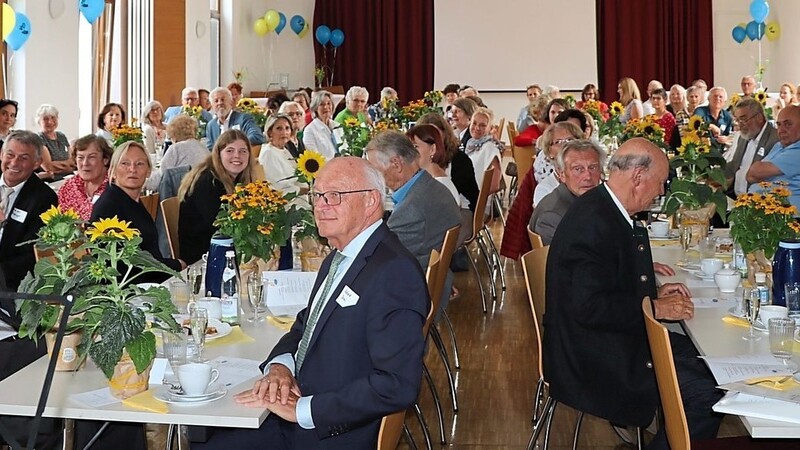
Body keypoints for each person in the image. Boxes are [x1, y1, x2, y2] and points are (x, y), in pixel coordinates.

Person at [195, 157, 428, 449]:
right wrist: (280, 367)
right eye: (318, 196)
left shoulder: (393, 272)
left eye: (335, 196)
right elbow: (308, 323)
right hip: (306, 403)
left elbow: (398, 384)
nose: (320, 205)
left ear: (371, 201)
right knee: (207, 426)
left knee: (206, 437)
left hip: (330, 432)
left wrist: (304, 411)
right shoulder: (341, 255)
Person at [543, 137, 723, 449]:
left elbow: (605, 282)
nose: (663, 191)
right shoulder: (594, 221)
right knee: (708, 391)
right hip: (590, 356)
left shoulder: (603, 208)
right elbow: (590, 307)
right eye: (662, 182)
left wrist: (651, 291)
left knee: (711, 360)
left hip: (602, 338)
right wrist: (656, 307)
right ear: (638, 177)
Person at [365, 130, 461, 270]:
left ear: (396, 164)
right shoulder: (433, 187)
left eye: (374, 171)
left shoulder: (411, 210)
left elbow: (377, 256)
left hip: (411, 284)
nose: (372, 179)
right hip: (427, 274)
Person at [91, 141, 185, 275]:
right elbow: (122, 268)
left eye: (140, 164)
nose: (132, 169)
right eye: (125, 163)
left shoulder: (131, 201)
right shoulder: (108, 207)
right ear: (112, 170)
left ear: (148, 171)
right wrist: (176, 265)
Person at [178, 129, 261, 265]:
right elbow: (221, 228)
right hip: (203, 258)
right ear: (218, 154)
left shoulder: (240, 180)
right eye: (230, 150)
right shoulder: (206, 182)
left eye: (243, 151)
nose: (237, 156)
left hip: (229, 251)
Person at [0, 130, 58, 290]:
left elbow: (33, 252)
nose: (14, 163)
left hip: (10, 284)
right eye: (10, 155)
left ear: (36, 163)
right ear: (1, 154)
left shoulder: (44, 198)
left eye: (24, 158)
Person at [529, 139, 605, 244]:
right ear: (562, 174)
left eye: (593, 167)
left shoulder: (589, 199)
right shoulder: (553, 216)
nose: (587, 176)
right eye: (578, 169)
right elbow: (567, 259)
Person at [417, 112, 479, 211]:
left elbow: (452, 196)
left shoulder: (459, 159)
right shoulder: (417, 158)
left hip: (461, 209)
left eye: (436, 133)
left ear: (445, 134)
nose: (433, 138)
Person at [747, 105, 800, 211]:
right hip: (764, 211)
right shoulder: (779, 145)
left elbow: (755, 173)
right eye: (779, 124)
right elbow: (750, 176)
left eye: (788, 124)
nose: (781, 130)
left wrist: (762, 174)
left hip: (786, 218)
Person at [725, 98, 778, 197]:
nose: (740, 124)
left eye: (744, 119)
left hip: (759, 202)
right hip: (734, 198)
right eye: (737, 120)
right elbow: (734, 165)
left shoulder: (775, 140)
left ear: (759, 117)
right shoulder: (744, 136)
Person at [145, 115, 208, 191]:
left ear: (174, 135)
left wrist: (143, 181)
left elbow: (159, 179)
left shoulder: (176, 148)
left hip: (178, 196)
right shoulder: (203, 148)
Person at [57, 135, 113, 220]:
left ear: (106, 160)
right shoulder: (68, 187)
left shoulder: (115, 188)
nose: (85, 163)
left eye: (92, 157)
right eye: (80, 157)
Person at [532, 121, 584, 206]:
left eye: (570, 140)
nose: (565, 145)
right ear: (549, 152)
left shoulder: (589, 178)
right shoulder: (545, 189)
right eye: (558, 142)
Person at [258, 114, 305, 194]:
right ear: (270, 132)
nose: (284, 132)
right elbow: (277, 187)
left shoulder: (284, 150)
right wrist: (303, 190)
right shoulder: (268, 153)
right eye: (279, 129)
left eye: (287, 128)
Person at [464, 107, 504, 190]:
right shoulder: (471, 143)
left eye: (483, 125)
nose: (477, 128)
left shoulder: (490, 148)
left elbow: (494, 185)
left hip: (475, 199)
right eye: (474, 123)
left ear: (490, 128)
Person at [35, 104, 75, 176]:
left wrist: (59, 165)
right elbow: (48, 167)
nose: (50, 121)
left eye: (53, 117)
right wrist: (67, 164)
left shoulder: (61, 136)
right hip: (51, 181)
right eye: (45, 119)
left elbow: (73, 161)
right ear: (39, 121)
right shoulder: (38, 139)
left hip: (68, 177)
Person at [302, 90, 342, 160]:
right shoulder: (309, 130)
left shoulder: (338, 125)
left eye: (328, 103)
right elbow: (314, 158)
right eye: (322, 104)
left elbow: (345, 149)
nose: (326, 107)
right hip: (325, 168)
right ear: (315, 108)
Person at [693, 87, 734, 151]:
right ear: (708, 99)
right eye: (715, 96)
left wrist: (725, 138)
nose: (718, 98)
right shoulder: (700, 111)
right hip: (701, 151)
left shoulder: (727, 116)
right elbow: (695, 124)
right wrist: (711, 126)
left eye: (720, 97)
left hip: (720, 152)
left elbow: (729, 134)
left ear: (725, 101)